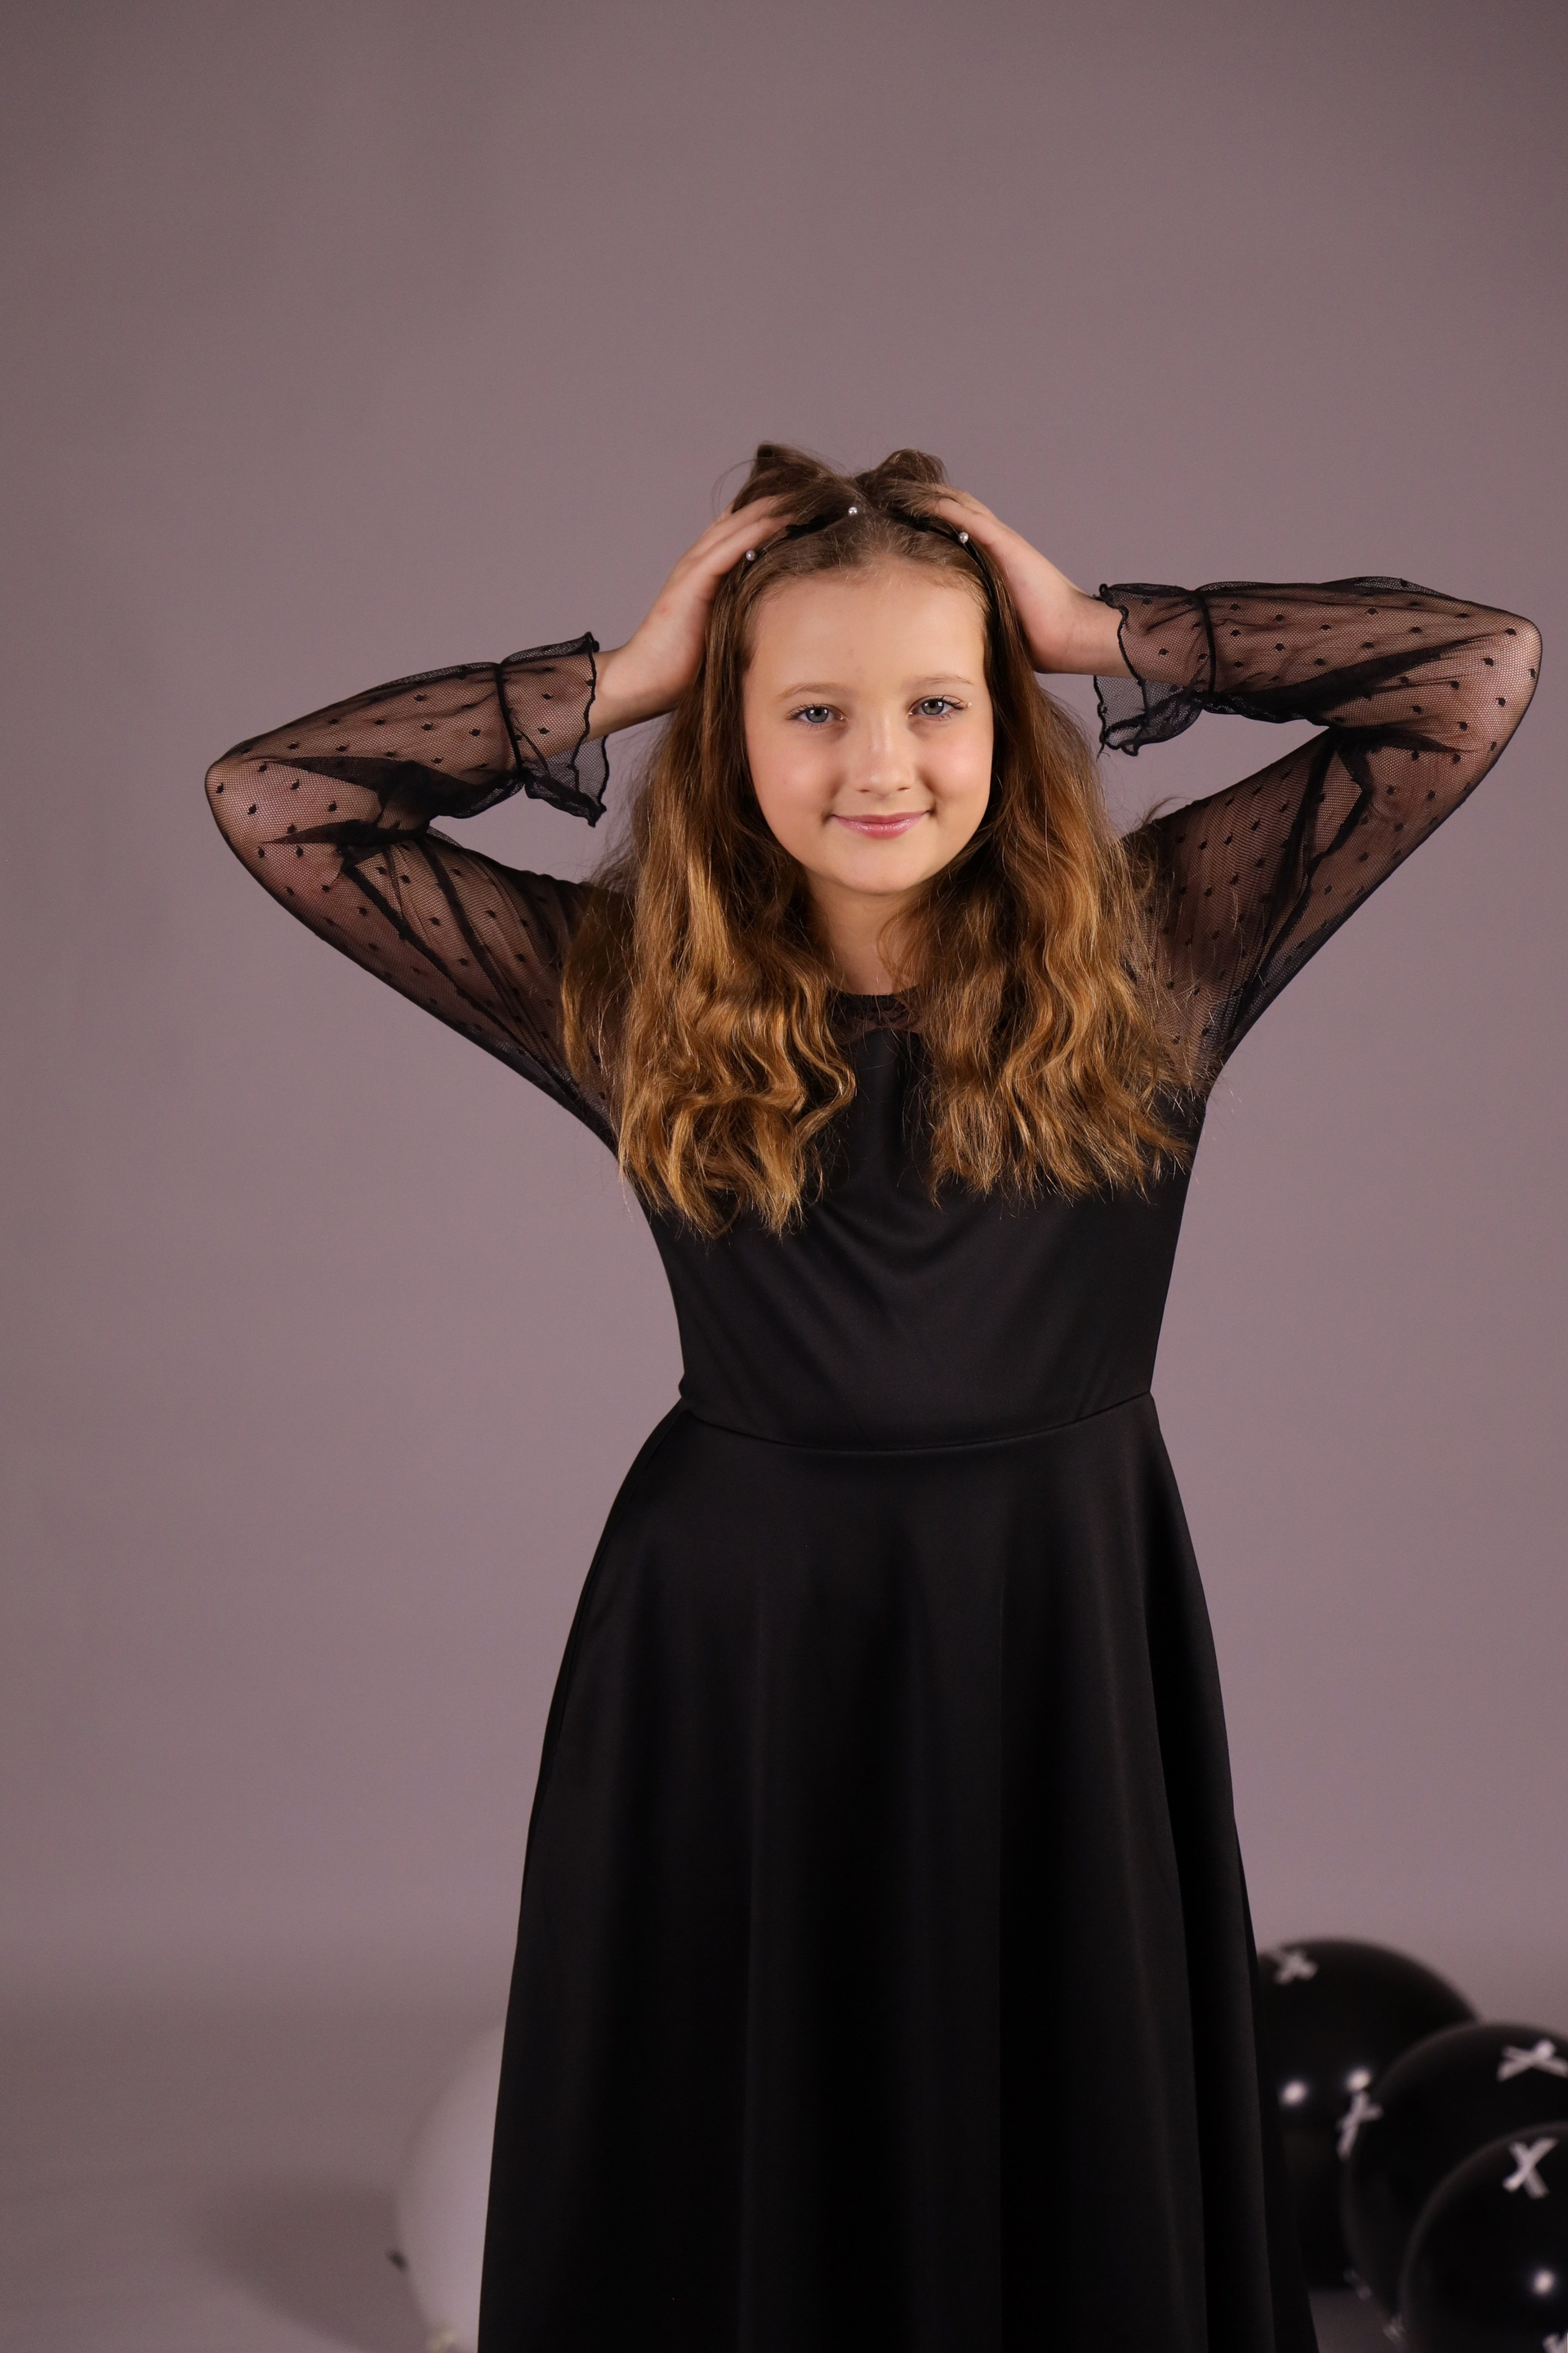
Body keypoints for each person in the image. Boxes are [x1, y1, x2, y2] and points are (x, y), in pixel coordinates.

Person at [205, 444, 1539, 2353]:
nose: (880, 762)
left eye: (938, 701)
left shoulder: (1154, 948)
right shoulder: (637, 990)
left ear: (1006, 715)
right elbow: (282, 805)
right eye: (812, 709)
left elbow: (1474, 674)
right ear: (731, 734)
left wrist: (1099, 629)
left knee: (1057, 2096)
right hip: (740, 1638)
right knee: (760, 2105)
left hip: (1062, 1613)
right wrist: (623, 676)